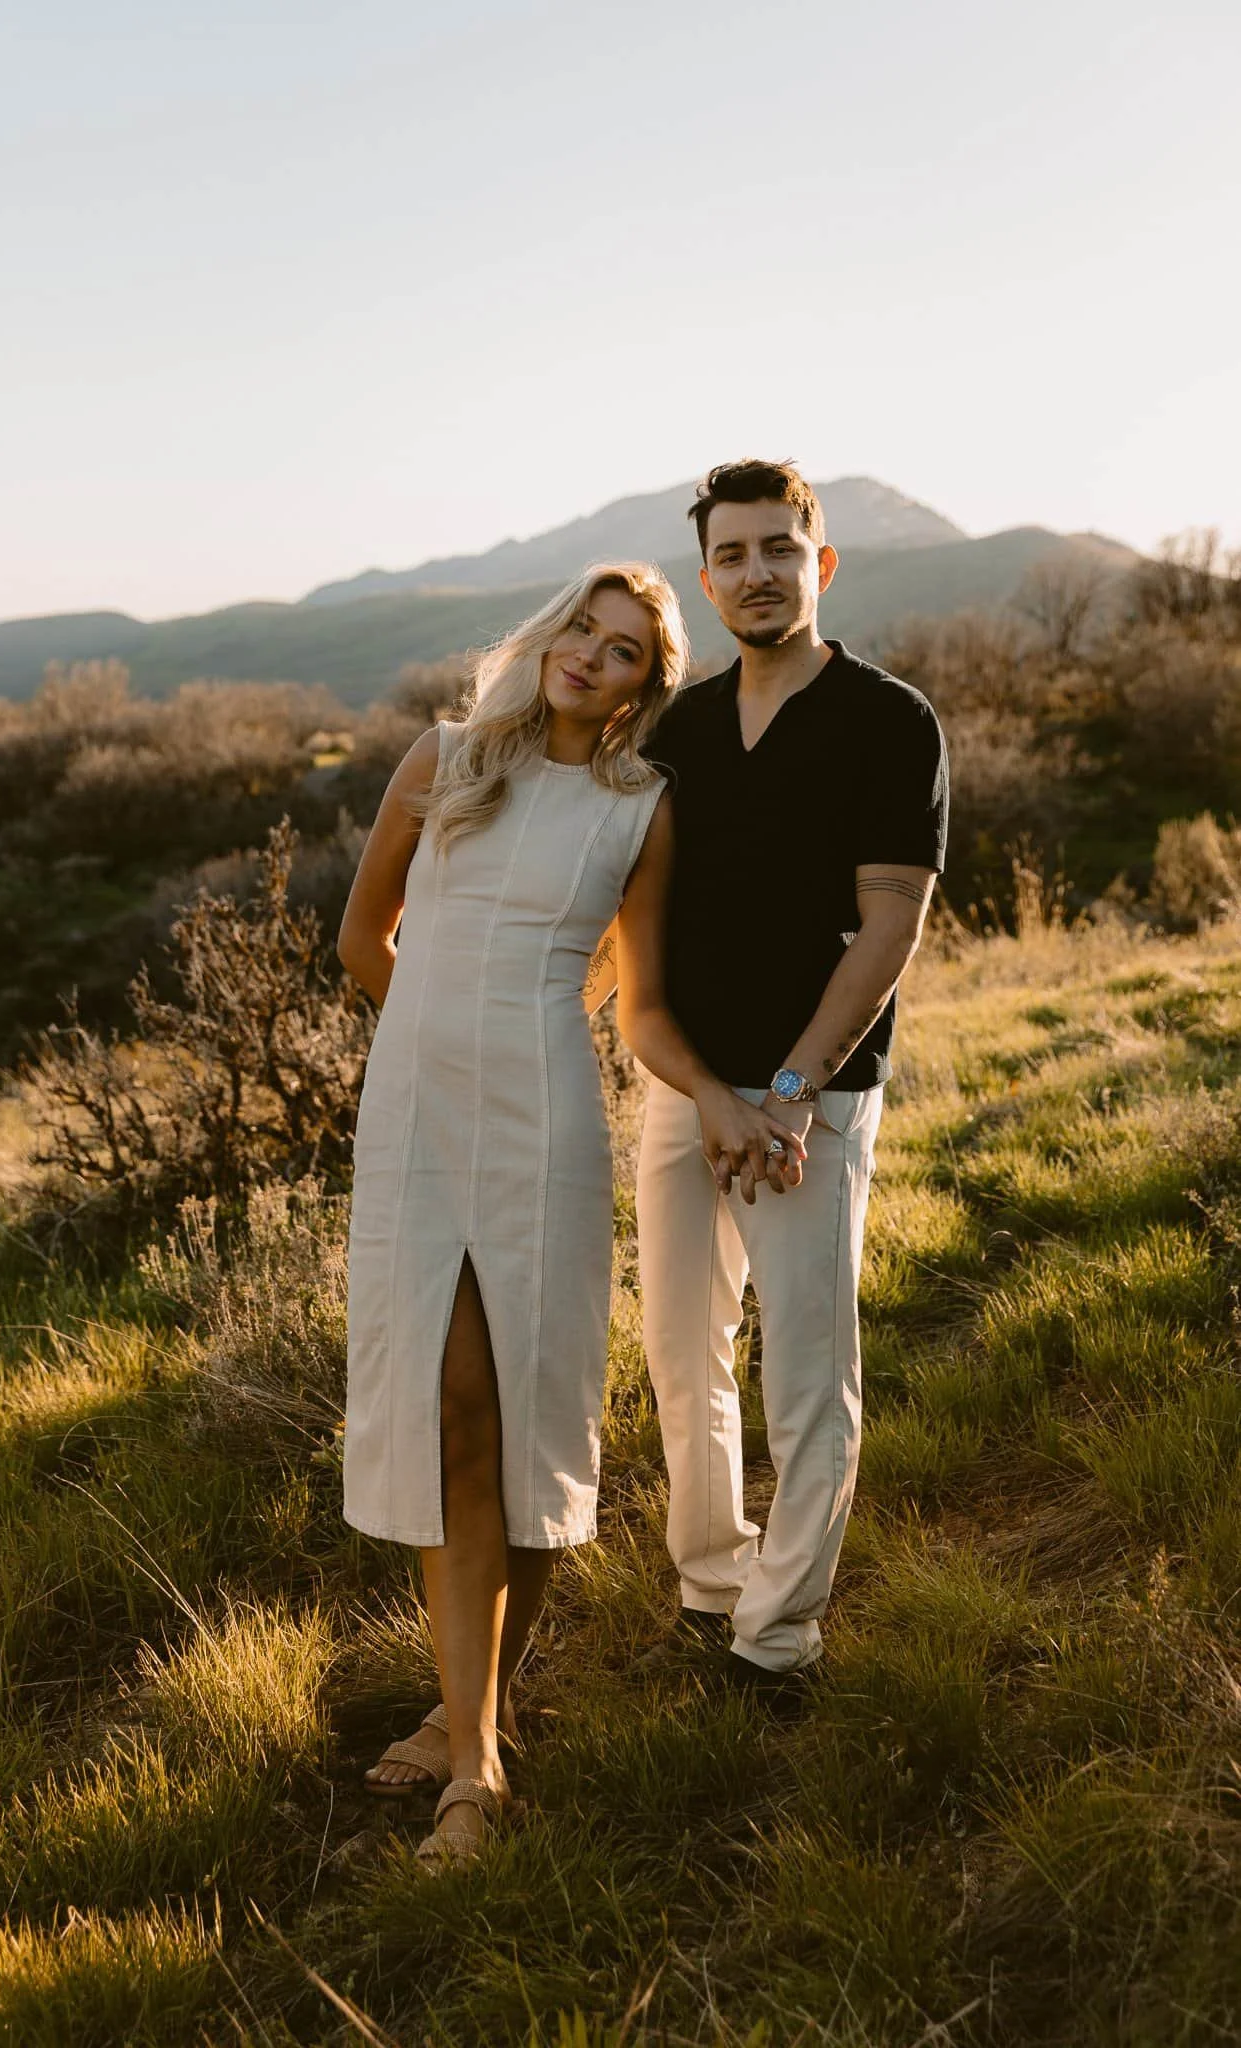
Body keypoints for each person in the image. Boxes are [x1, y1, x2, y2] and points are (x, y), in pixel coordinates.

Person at [336, 561, 795, 1859]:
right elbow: (365, 940)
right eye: (582, 633)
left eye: (626, 652)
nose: (592, 658)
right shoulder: (441, 760)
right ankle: (473, 1735)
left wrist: (710, 1093)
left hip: (545, 1128)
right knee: (444, 1413)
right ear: (547, 638)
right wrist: (439, 1041)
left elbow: (637, 1006)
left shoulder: (638, 809)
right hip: (420, 1123)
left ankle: (468, 1750)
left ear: (647, 687)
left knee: (520, 1417)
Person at [637, 459, 950, 1691]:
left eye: (779, 549)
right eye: (732, 555)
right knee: (680, 1352)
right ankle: (712, 1584)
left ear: (819, 565)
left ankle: (778, 1639)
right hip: (684, 1089)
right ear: (706, 579)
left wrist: (786, 1088)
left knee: (807, 1372)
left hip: (810, 1096)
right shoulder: (683, 730)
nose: (755, 573)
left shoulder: (889, 719)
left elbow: (890, 927)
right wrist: (708, 1090)